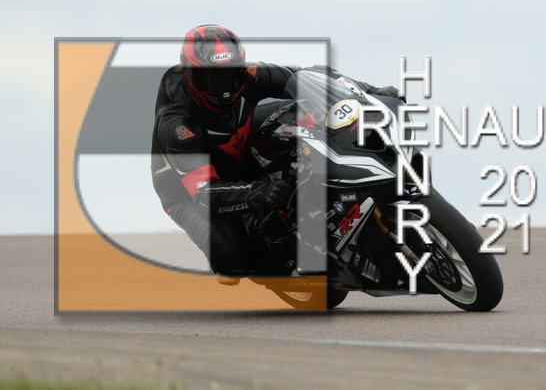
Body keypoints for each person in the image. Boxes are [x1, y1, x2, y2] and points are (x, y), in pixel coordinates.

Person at [151, 24, 400, 276]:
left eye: (230, 75)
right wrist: (258, 192)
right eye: (210, 79)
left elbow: (308, 77)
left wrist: (369, 92)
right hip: (187, 191)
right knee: (232, 256)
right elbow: (204, 195)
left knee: (306, 108)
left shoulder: (250, 75)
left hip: (241, 139)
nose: (223, 90)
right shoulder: (177, 125)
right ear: (189, 75)